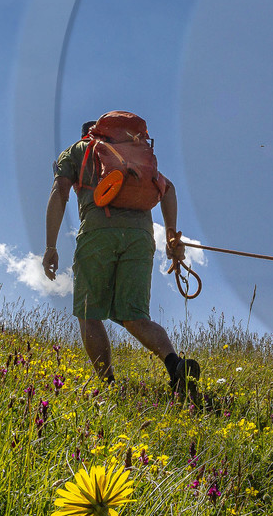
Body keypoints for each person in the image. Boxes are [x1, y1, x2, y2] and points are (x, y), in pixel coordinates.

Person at [42, 117, 202, 399]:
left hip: (97, 233)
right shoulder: (135, 156)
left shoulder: (78, 151)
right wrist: (170, 236)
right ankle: (175, 364)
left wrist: (50, 246)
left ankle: (107, 386)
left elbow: (60, 192)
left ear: (87, 134)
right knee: (135, 316)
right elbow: (169, 190)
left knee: (89, 313)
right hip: (140, 237)